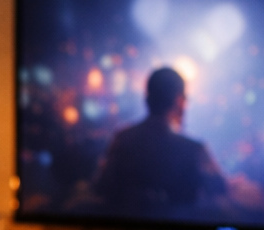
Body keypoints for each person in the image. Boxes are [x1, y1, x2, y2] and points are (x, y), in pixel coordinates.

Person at [93, 66, 227, 209]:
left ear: (147, 99)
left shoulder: (122, 140)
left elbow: (100, 188)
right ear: (179, 101)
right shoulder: (194, 149)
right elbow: (220, 189)